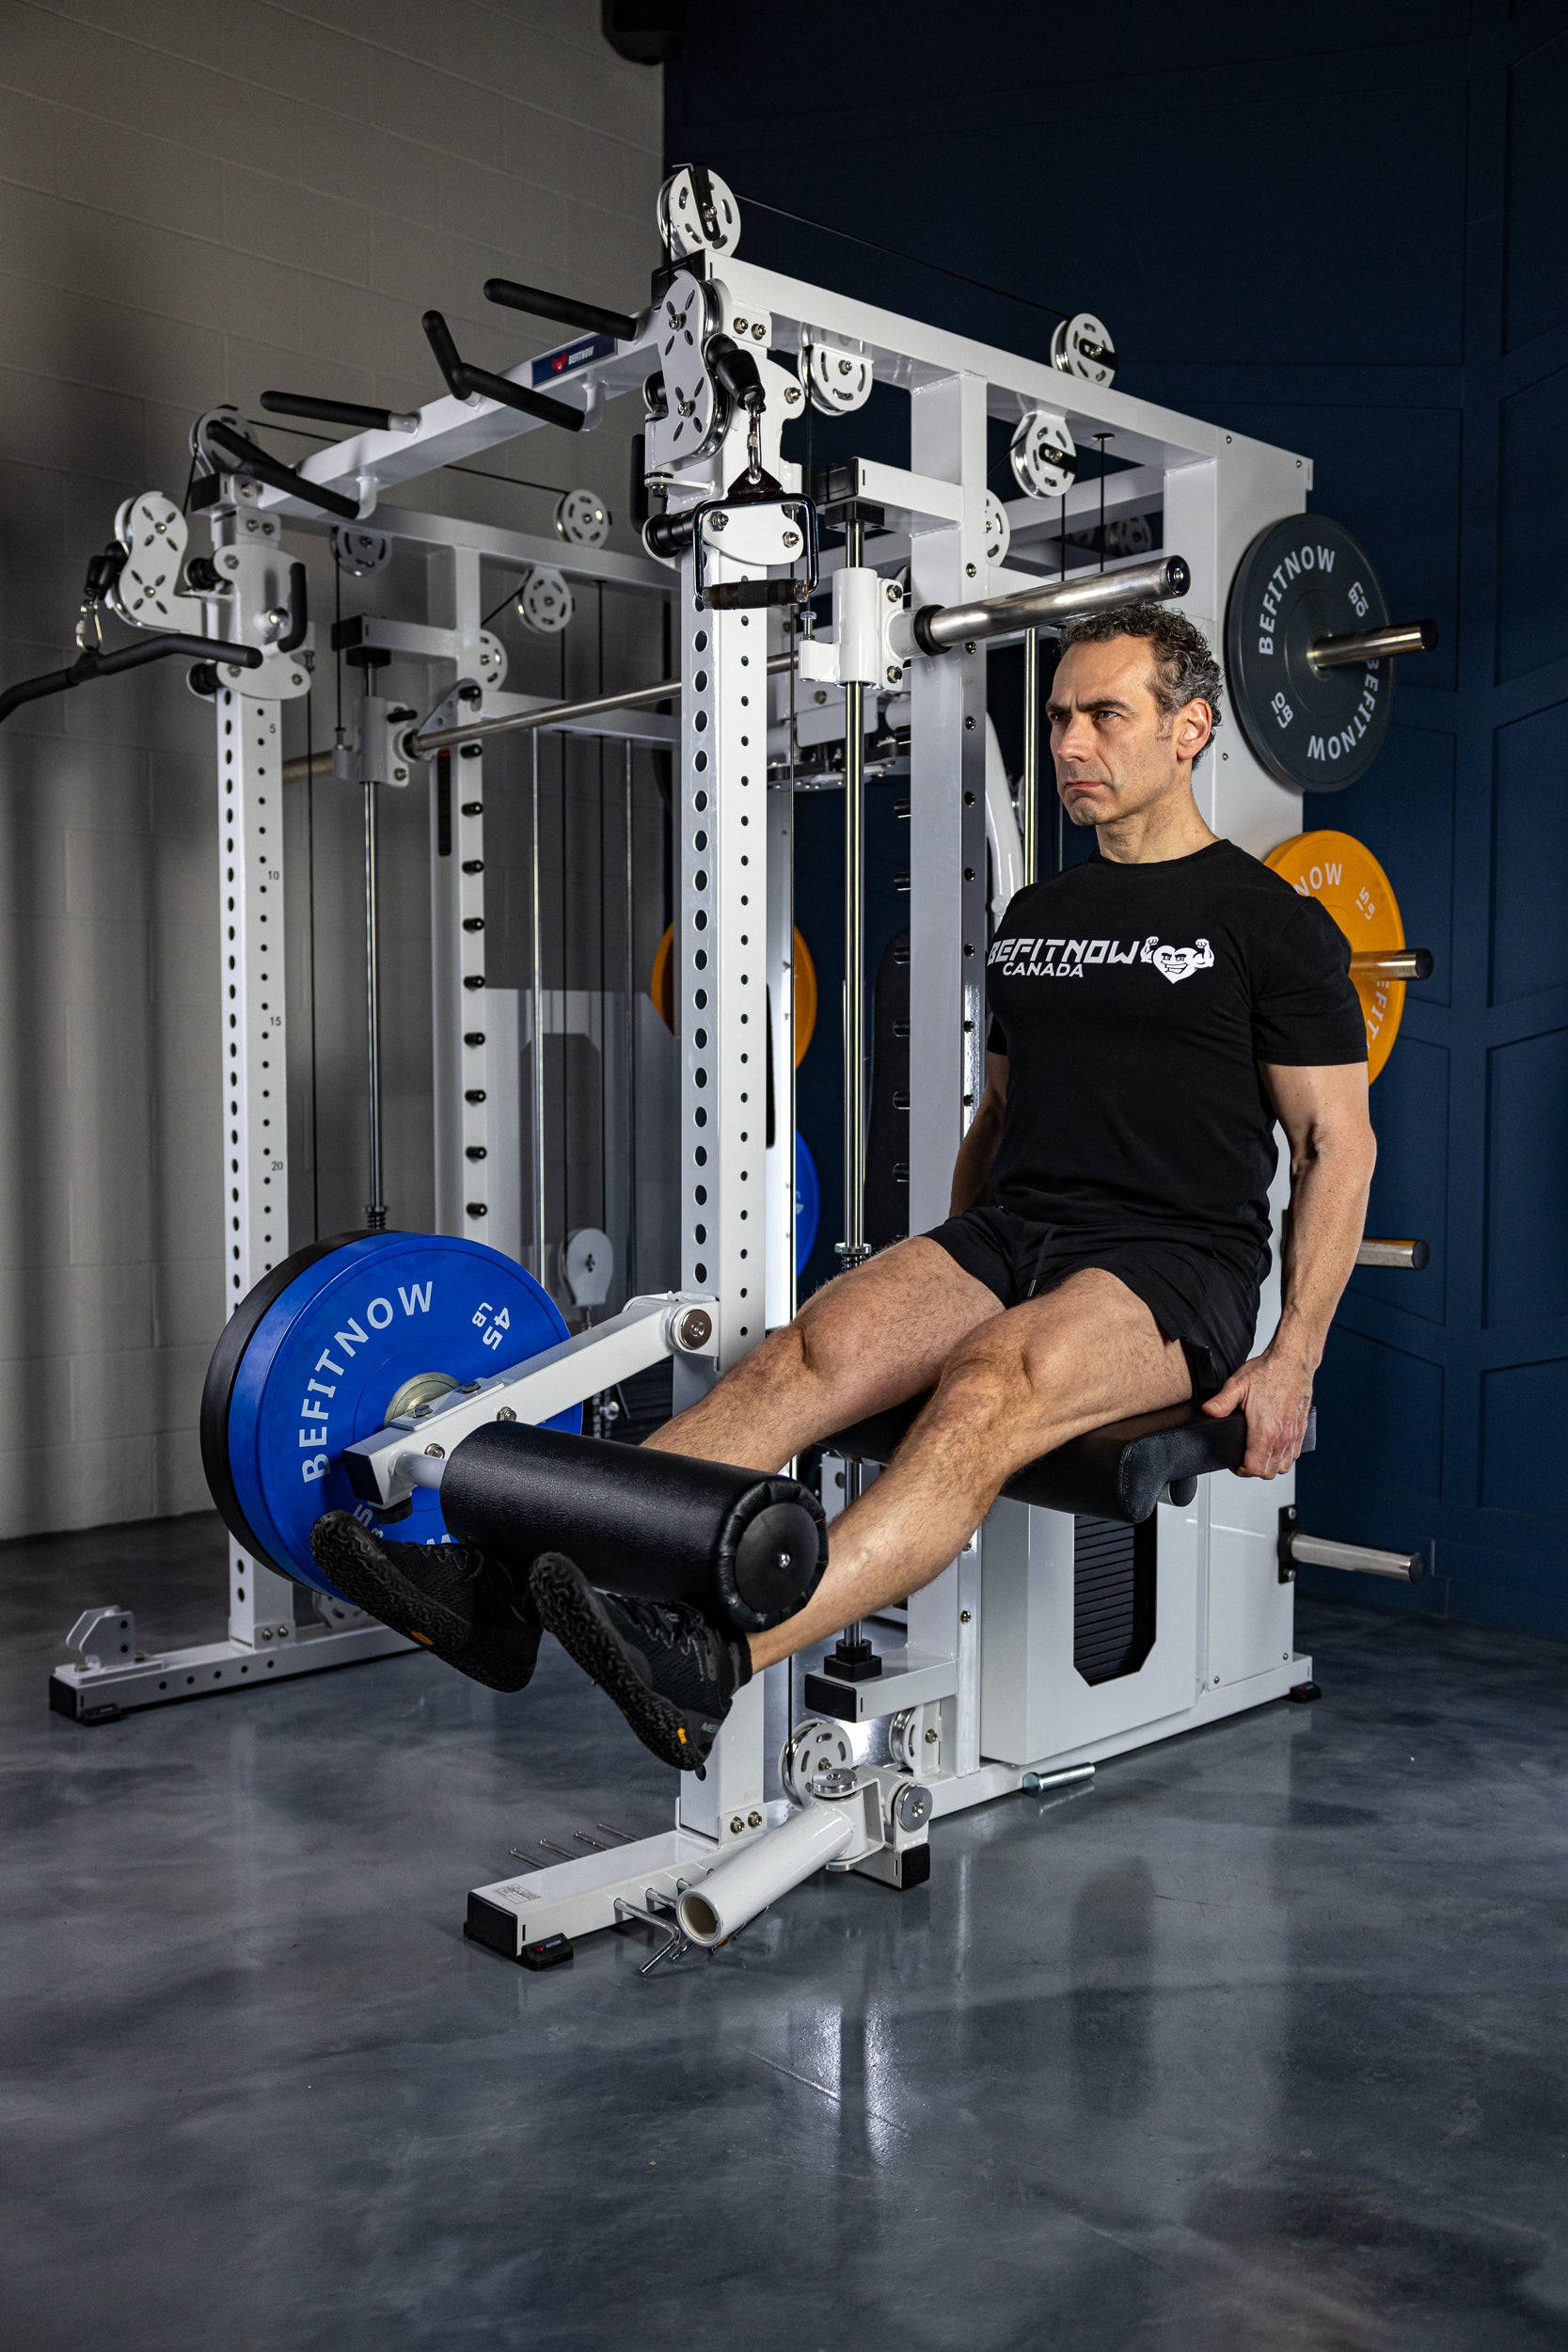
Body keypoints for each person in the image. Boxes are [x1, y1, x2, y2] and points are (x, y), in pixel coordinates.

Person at [313, 603, 1376, 1773]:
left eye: (1105, 716)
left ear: (1188, 731)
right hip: (1012, 1230)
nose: (1071, 743)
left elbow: (1337, 1145)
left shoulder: (1270, 925)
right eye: (1061, 717)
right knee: (800, 1353)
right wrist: (944, 1263)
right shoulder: (1037, 918)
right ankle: (505, 1586)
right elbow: (1000, 1118)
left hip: (1172, 1265)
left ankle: (714, 1654)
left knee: (986, 1381)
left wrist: (1291, 1359)